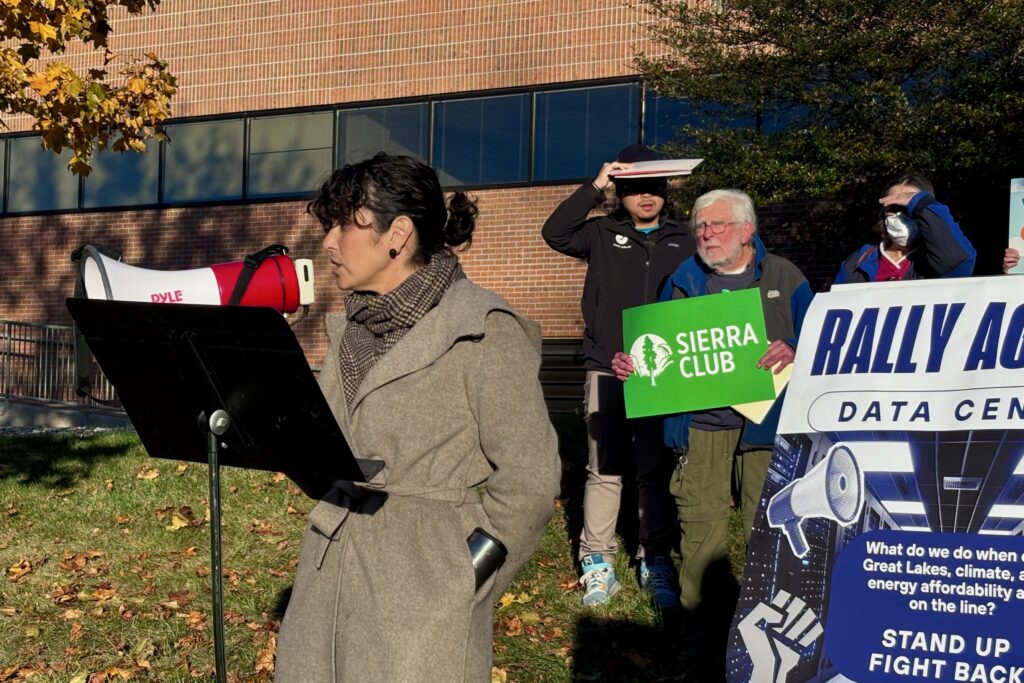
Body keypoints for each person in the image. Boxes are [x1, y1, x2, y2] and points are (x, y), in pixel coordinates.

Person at [274, 153, 561, 682]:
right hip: (327, 583)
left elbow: (530, 483)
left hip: (424, 593)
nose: (329, 243)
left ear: (397, 234)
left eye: (343, 224)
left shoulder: (481, 329)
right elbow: (323, 457)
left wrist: (466, 574)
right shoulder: (349, 331)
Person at [611, 189, 813, 648]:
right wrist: (632, 365)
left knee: (772, 533)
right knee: (700, 535)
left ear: (747, 230)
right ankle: (703, 644)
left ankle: (783, 639)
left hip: (768, 428)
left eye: (717, 224)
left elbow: (823, 345)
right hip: (700, 428)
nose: (705, 233)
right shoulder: (682, 279)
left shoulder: (786, 276)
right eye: (700, 226)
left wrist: (796, 350)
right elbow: (655, 352)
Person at [542, 144, 696, 609]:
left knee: (654, 469)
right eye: (634, 188)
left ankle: (655, 559)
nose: (646, 196)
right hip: (606, 366)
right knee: (603, 469)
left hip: (662, 371)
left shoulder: (684, 238)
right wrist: (597, 183)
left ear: (667, 190)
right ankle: (598, 562)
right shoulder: (600, 233)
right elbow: (554, 232)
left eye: (655, 187)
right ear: (621, 192)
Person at [833, 173, 976, 284]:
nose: (900, 215)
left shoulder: (935, 260)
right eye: (894, 208)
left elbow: (957, 260)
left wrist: (919, 202)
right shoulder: (858, 261)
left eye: (908, 208)